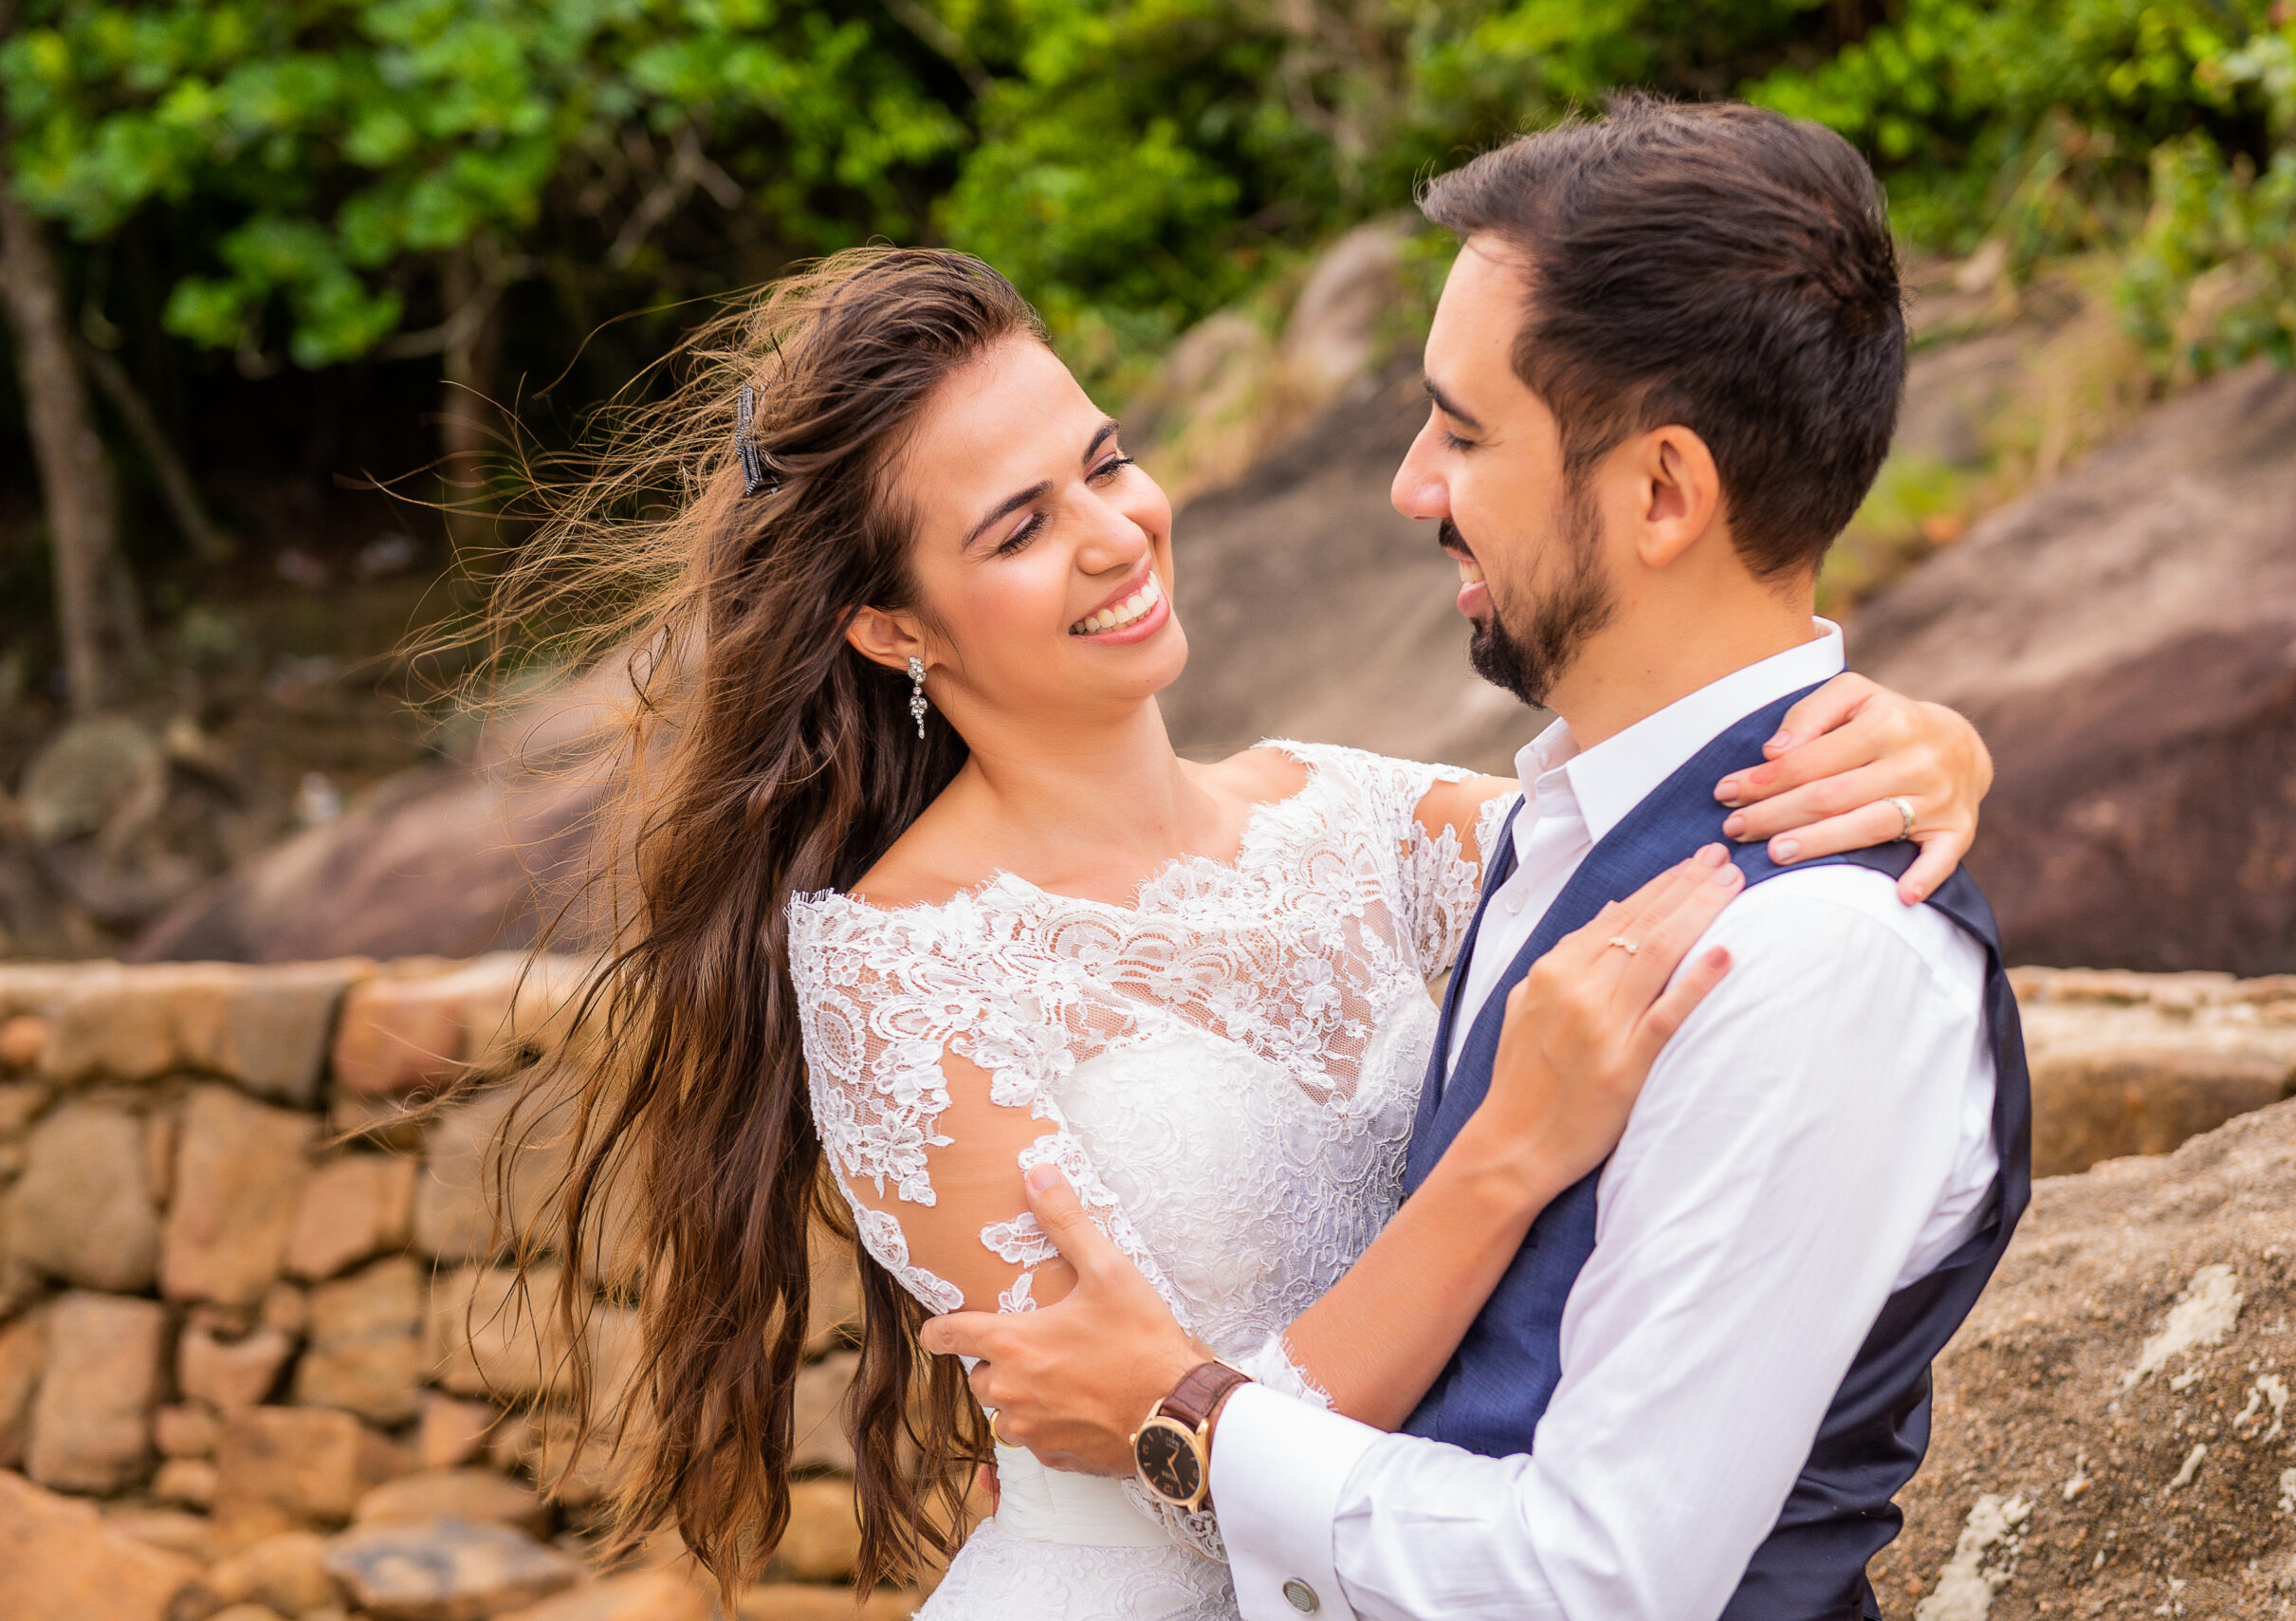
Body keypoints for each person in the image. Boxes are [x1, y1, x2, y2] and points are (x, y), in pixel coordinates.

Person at [507, 228, 1991, 1612]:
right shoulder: (899, 966)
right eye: (1022, 526)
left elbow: (1651, 812)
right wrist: (1503, 1159)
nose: (1115, 533)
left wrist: (1919, 741)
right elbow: (1125, 1440)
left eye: (1108, 462)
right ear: (892, 627)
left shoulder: (1355, 819)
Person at [927, 97, 2030, 1621]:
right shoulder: (1545, 826)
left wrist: (1180, 1418)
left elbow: (1599, 1581)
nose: (1409, 485)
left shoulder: (1809, 959)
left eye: (1463, 431)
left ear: (1662, 493)